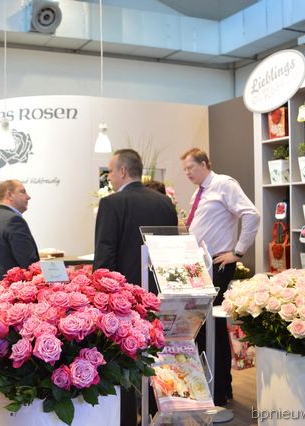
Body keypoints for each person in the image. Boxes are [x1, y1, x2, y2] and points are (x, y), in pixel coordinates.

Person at [94, 149, 178, 426]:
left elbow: (105, 258)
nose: (109, 177)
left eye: (110, 171)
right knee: (156, 358)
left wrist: (100, 297)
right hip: (158, 294)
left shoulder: (111, 204)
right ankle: (157, 414)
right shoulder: (165, 203)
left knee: (124, 361)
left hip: (124, 300)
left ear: (122, 171)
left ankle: (127, 419)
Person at [180, 147, 260, 406]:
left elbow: (251, 214)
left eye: (190, 167)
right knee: (206, 327)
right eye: (184, 169)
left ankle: (219, 389)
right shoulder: (198, 193)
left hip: (217, 263)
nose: (187, 173)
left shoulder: (224, 184)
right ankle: (217, 386)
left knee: (210, 327)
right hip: (199, 266)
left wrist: (238, 252)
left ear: (204, 163)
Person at [0, 179, 39, 284]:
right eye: (22, 192)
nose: (28, 197)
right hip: (13, 288)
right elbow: (29, 264)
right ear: (9, 195)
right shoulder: (14, 220)